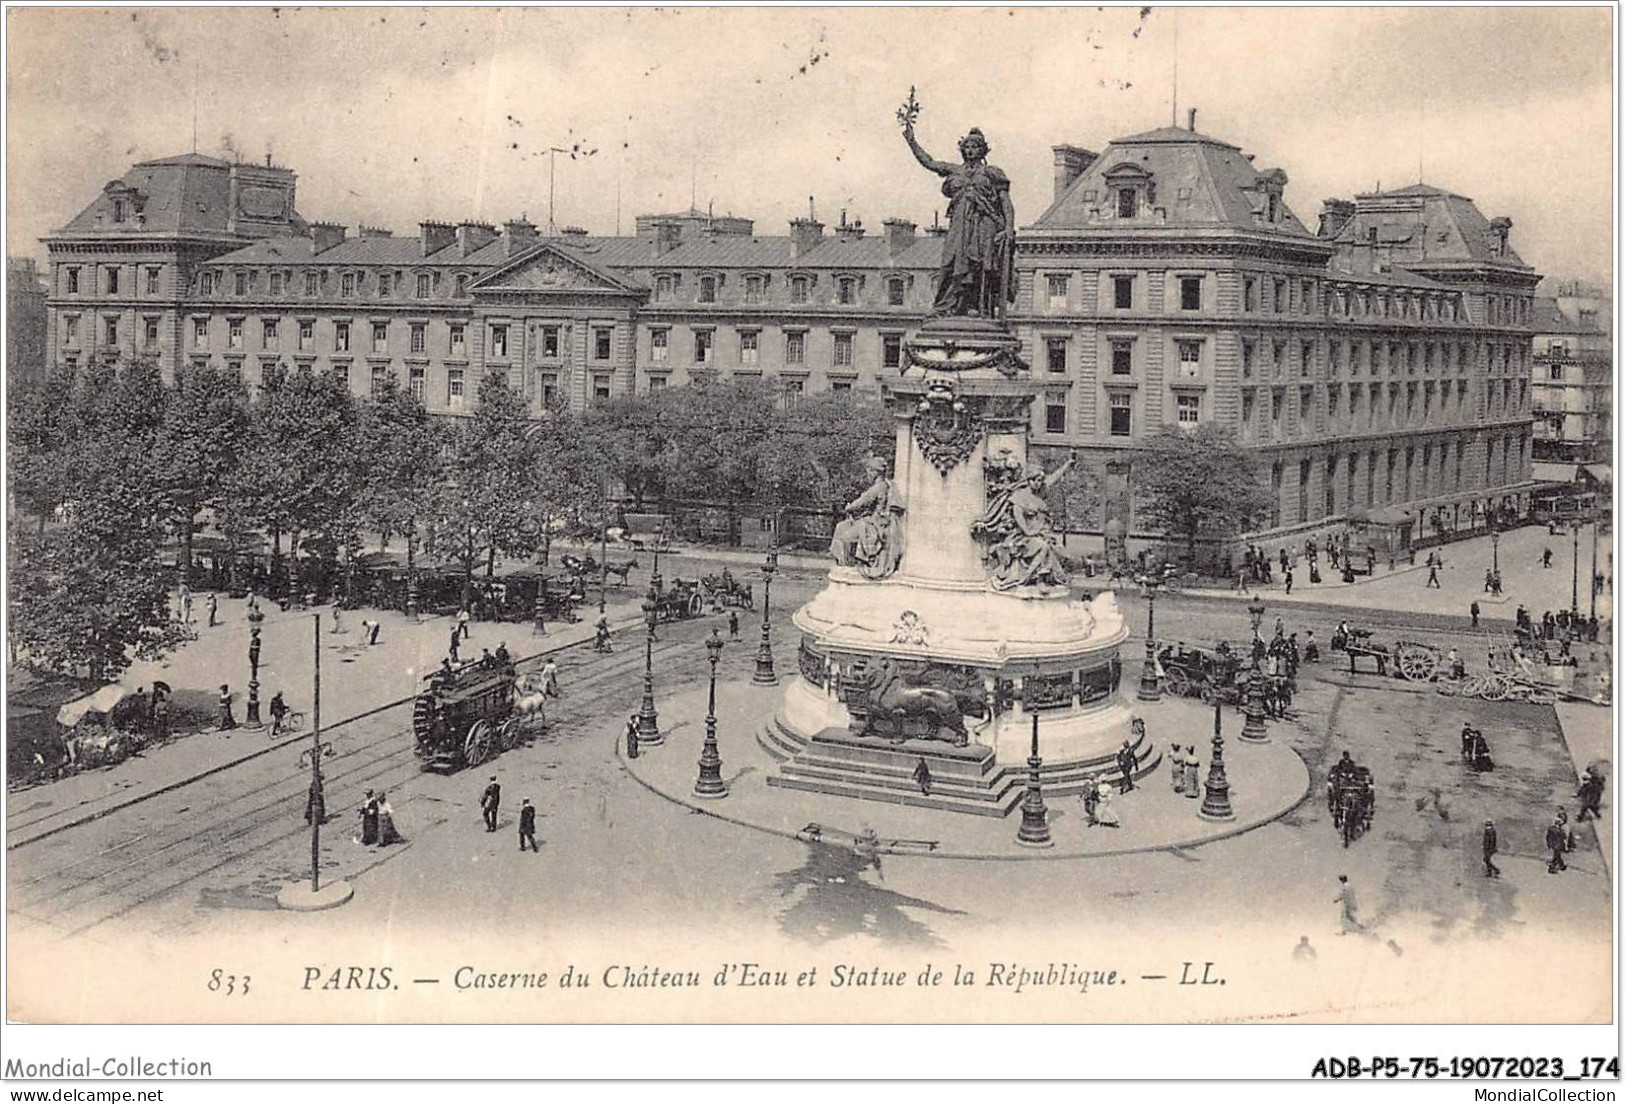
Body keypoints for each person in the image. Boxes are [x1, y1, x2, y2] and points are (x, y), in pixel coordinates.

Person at [900, 112, 1015, 319]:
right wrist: (912, 142)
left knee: (978, 265)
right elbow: (930, 162)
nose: (970, 150)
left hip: (984, 223)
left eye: (975, 147)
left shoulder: (992, 172)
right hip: (959, 224)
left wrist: (1008, 228)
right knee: (950, 263)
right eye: (967, 147)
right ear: (962, 150)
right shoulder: (954, 170)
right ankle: (946, 306)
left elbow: (1006, 202)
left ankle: (976, 306)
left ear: (983, 150)